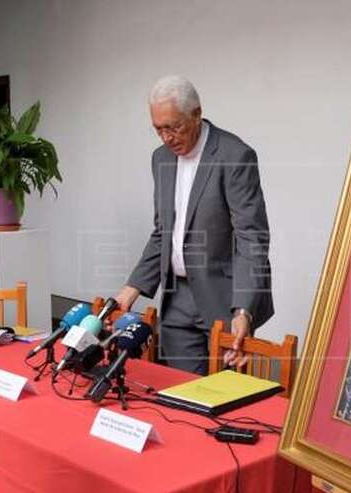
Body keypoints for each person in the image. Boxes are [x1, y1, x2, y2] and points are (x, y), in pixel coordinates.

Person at [115, 75, 273, 374]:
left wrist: (244, 310)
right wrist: (133, 286)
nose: (167, 138)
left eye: (174, 127)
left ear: (197, 114)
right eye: (158, 129)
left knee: (224, 398)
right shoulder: (160, 158)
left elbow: (251, 238)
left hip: (224, 297)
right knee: (180, 394)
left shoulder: (234, 155)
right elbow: (163, 232)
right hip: (178, 298)